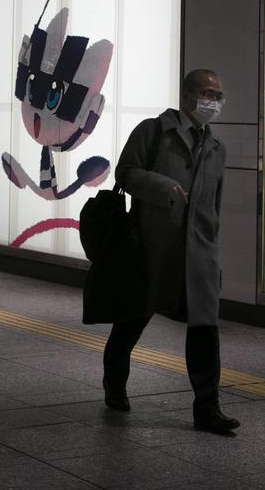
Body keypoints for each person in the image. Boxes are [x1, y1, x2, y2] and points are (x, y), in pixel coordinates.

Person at [102, 69, 239, 434]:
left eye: (217, 95)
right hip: (153, 249)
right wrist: (162, 186)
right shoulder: (153, 132)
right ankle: (114, 384)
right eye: (205, 93)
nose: (212, 101)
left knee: (204, 331)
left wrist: (212, 253)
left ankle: (207, 408)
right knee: (131, 322)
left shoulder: (216, 148)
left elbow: (214, 206)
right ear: (186, 95)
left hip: (198, 256)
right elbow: (125, 173)